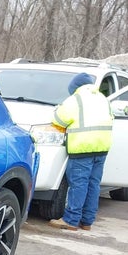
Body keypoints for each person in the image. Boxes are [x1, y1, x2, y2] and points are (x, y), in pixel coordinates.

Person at [48, 72, 113, 231]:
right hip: (102, 147)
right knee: (93, 184)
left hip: (83, 147)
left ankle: (71, 220)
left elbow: (58, 120)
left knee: (78, 184)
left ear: (75, 87)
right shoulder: (103, 98)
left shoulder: (75, 99)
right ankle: (87, 221)